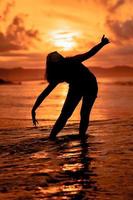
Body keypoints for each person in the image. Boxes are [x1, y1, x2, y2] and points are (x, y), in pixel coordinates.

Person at [31, 35, 110, 139]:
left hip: (90, 84)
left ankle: (82, 138)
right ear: (54, 65)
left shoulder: (72, 61)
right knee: (65, 114)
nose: (59, 57)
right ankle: (52, 137)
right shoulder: (57, 74)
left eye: (59, 56)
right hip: (76, 87)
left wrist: (102, 44)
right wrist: (34, 109)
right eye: (56, 58)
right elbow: (45, 92)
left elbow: (89, 54)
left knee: (84, 113)